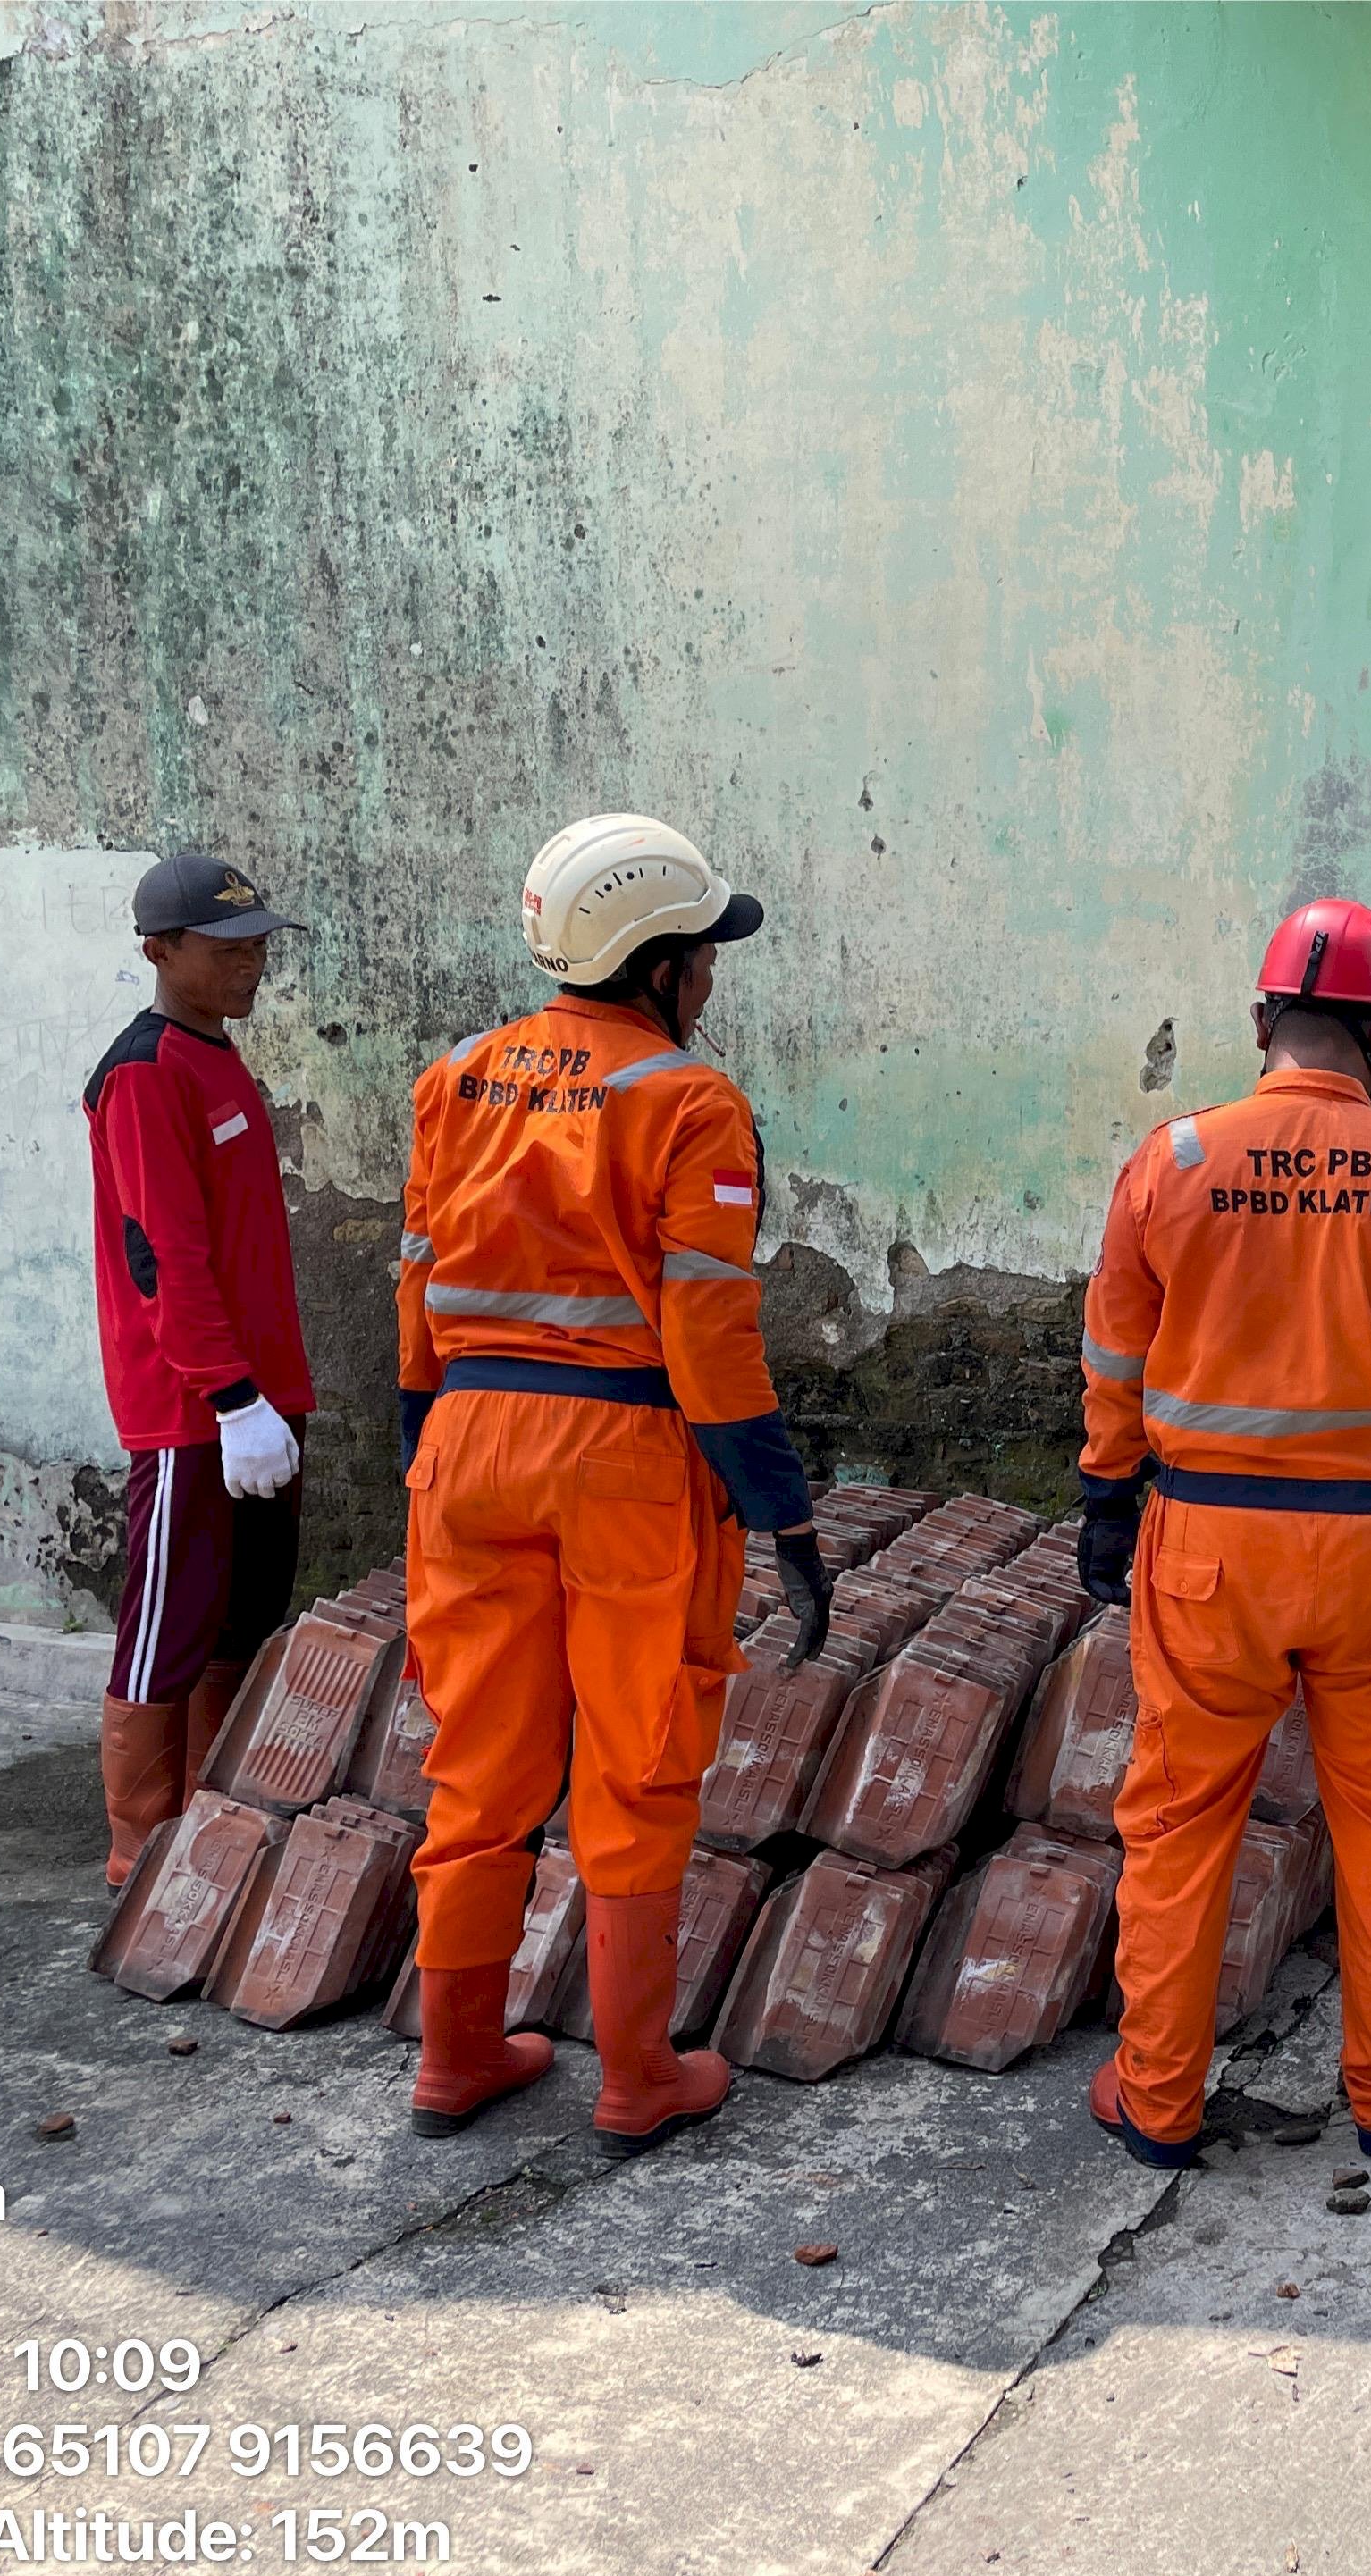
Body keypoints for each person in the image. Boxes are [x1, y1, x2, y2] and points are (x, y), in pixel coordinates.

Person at [391, 814, 830, 2157]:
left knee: (477, 1763)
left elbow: (418, 1278)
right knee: (636, 1766)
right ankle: (638, 2076)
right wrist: (780, 1509)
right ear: (655, 964)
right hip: (624, 1456)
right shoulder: (690, 1102)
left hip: (466, 1442)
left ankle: (456, 2054)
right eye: (702, 952)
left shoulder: (456, 1076)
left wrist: (424, 1443)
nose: (712, 975)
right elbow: (709, 1327)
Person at [1077, 899, 1371, 2169]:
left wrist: (1105, 1498)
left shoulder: (1172, 1161)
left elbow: (1112, 1358)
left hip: (1210, 1554)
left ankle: (1157, 2098)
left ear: (1264, 1019)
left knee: (1178, 1831)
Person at [82, 853, 315, 1892]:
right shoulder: (146, 1072)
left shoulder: (216, 1056)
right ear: (159, 950)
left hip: (261, 1398)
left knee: (241, 1620)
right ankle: (137, 1853)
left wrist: (266, 1398)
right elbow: (162, 1253)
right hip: (196, 1408)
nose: (249, 963)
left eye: (257, 943)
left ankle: (207, 1833)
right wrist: (229, 1395)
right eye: (225, 949)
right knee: (166, 1630)